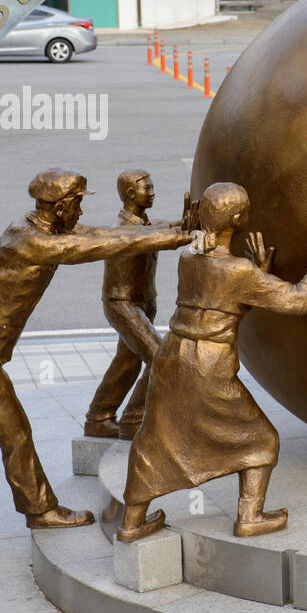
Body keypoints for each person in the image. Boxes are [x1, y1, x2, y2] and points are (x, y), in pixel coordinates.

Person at [0, 168, 195, 527]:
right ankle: (41, 509)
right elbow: (99, 245)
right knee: (15, 434)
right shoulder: (34, 241)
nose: (81, 212)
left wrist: (173, 229)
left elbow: (103, 233)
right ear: (62, 207)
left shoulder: (36, 226)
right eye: (77, 204)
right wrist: (171, 241)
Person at [117, 183, 307, 542]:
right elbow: (299, 299)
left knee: (154, 437)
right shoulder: (239, 272)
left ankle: (131, 524)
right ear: (237, 219)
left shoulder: (190, 255)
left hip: (172, 355)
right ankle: (250, 516)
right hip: (208, 364)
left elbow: (213, 292)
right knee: (261, 439)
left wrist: (258, 276)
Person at [83, 169, 177, 439]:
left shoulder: (145, 223)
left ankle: (98, 418)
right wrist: (181, 236)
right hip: (122, 304)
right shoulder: (124, 230)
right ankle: (133, 421)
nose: (153, 192)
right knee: (160, 359)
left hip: (144, 303)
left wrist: (191, 223)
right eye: (147, 188)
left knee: (127, 362)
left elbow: (163, 227)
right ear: (130, 194)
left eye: (152, 186)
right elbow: (152, 237)